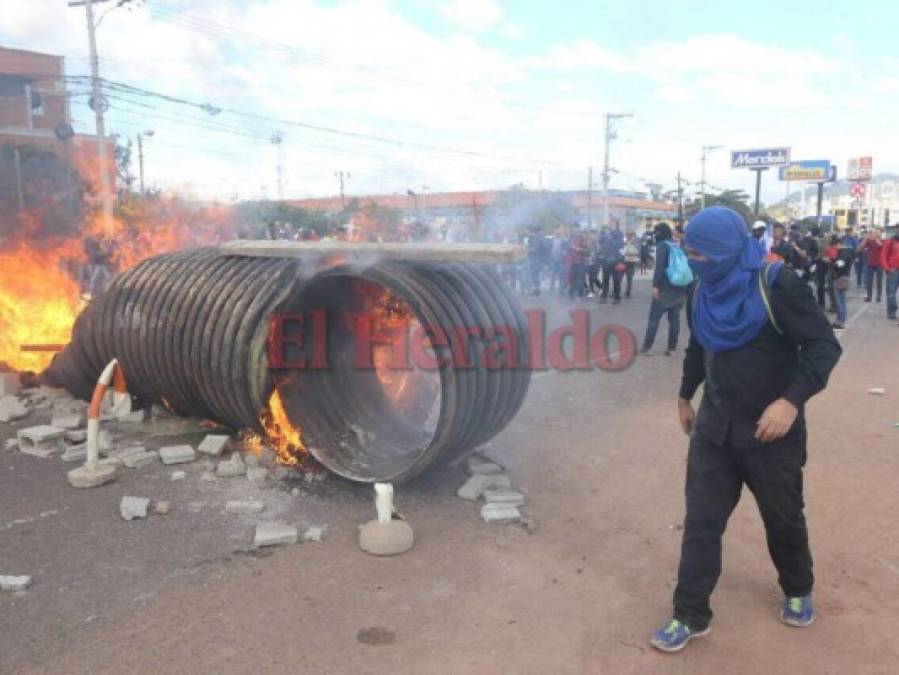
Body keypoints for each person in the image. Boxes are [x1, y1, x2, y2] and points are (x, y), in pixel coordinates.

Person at [650, 206, 841, 653]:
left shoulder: (777, 285)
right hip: (714, 429)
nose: (693, 259)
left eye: (700, 252)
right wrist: (684, 395)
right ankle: (689, 613)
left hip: (771, 434)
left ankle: (797, 587)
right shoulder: (704, 289)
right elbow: (700, 343)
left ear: (726, 248)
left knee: (784, 516)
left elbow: (822, 346)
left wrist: (790, 401)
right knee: (701, 522)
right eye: (688, 251)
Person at [640, 223, 686, 355]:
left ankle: (647, 348)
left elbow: (659, 268)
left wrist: (655, 285)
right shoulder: (676, 244)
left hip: (665, 288)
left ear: (659, 233)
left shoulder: (662, 246)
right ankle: (672, 349)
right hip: (679, 287)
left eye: (656, 233)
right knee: (674, 320)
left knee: (654, 318)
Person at [831, 236, 854, 329]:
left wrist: (832, 264)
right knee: (842, 300)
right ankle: (840, 320)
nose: (835, 248)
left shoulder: (843, 253)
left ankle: (841, 321)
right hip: (845, 276)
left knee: (840, 300)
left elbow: (840, 264)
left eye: (835, 246)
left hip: (841, 277)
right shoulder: (848, 251)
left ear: (838, 244)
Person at [599, 227, 625, 305]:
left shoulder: (620, 242)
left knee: (616, 282)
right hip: (607, 263)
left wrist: (610, 239)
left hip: (616, 263)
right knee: (605, 281)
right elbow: (601, 242)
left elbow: (620, 249)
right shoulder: (607, 241)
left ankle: (617, 298)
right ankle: (604, 297)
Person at [859, 228, 884, 303]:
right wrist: (866, 239)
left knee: (879, 281)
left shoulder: (883, 240)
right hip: (870, 263)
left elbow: (881, 245)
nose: (876, 233)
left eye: (878, 232)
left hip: (879, 263)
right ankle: (869, 297)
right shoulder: (870, 240)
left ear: (881, 233)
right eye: (875, 232)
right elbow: (860, 248)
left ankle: (878, 297)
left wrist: (876, 238)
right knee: (869, 281)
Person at [882, 229, 899, 321]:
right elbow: (883, 256)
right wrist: (887, 268)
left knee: (891, 293)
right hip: (893, 271)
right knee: (891, 293)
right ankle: (892, 311)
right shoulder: (890, 241)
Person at [568, 227, 587, 300]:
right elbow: (569, 248)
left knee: (580, 279)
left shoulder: (583, 238)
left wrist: (576, 248)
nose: (574, 231)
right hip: (573, 261)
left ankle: (579, 294)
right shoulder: (572, 238)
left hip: (580, 262)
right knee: (573, 278)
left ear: (578, 230)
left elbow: (586, 250)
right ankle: (571, 293)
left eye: (576, 229)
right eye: (574, 229)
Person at [621, 230, 640, 299]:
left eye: (629, 235)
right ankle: (618, 291)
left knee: (629, 278)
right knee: (620, 278)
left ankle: (628, 292)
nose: (628, 236)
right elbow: (621, 250)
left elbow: (638, 252)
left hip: (630, 263)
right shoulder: (625, 242)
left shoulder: (635, 242)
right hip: (625, 262)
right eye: (627, 235)